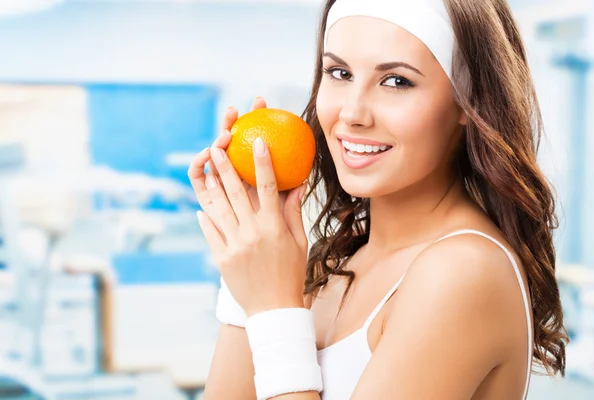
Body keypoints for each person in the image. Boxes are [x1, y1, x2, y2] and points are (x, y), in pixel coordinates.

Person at [188, 0, 569, 398]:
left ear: (467, 101)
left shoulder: (463, 271)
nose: (352, 113)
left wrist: (273, 310)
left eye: (397, 81)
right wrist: (247, 271)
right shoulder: (334, 262)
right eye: (339, 73)